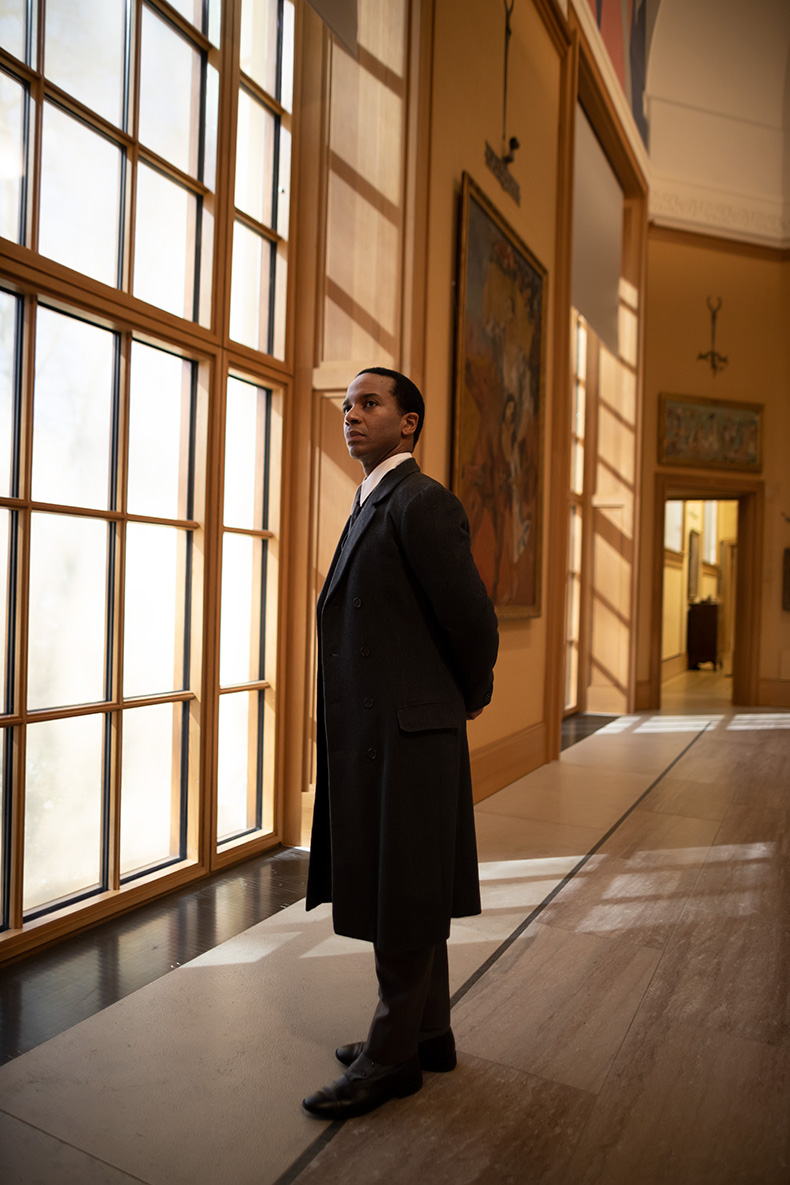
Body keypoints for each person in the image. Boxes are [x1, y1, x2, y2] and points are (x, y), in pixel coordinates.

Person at [302, 367, 499, 1121]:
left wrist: (459, 702)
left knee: (403, 892)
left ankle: (391, 1058)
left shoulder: (421, 500)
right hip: (384, 736)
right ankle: (432, 1032)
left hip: (411, 737)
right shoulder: (370, 500)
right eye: (348, 404)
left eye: (370, 403)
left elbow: (472, 622)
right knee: (406, 883)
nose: (352, 414)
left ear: (409, 422)